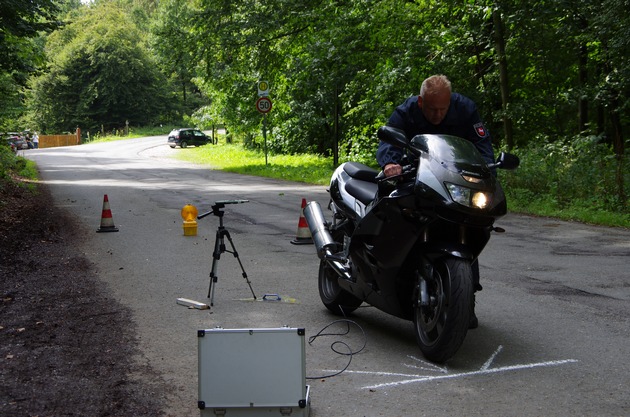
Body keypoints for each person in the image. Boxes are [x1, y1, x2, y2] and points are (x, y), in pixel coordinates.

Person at [376, 74, 495, 329]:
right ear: (421, 102)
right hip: (416, 179)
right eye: (432, 109)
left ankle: (466, 296)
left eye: (443, 108)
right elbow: (388, 140)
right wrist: (390, 163)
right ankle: (385, 265)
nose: (438, 114)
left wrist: (488, 172)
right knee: (397, 209)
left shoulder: (466, 109)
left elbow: (482, 145)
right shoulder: (407, 111)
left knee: (472, 223)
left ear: (450, 101)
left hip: (454, 184)